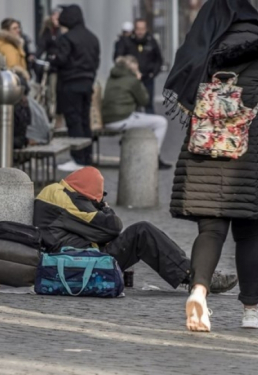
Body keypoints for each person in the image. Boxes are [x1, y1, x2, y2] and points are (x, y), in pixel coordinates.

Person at [164, 0, 258, 332]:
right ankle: (251, 311)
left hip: (206, 152)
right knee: (249, 234)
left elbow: (186, 97)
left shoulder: (203, 47)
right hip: (250, 155)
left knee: (212, 230)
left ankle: (199, 292)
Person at [34, 167, 238, 293]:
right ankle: (195, 275)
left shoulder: (55, 192)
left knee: (142, 234)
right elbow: (112, 228)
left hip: (74, 256)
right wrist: (103, 206)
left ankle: (192, 271)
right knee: (143, 232)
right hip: (83, 259)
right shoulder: (69, 199)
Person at [49, 4, 99, 172]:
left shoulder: (66, 38)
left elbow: (61, 60)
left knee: (74, 122)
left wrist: (52, 61)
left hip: (70, 84)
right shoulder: (92, 37)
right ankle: (87, 157)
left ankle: (78, 159)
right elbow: (95, 61)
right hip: (87, 83)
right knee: (85, 122)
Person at [102, 56, 172, 169]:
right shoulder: (132, 80)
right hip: (122, 119)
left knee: (141, 117)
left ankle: (136, 146)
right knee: (161, 122)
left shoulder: (112, 78)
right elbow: (144, 100)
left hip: (109, 119)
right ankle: (154, 157)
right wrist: (139, 81)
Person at [115, 19, 163, 114]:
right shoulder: (127, 42)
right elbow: (118, 58)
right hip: (131, 79)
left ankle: (150, 126)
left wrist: (153, 73)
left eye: (142, 29)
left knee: (148, 104)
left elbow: (158, 59)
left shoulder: (151, 41)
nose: (140, 32)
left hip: (147, 78)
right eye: (138, 29)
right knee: (132, 104)